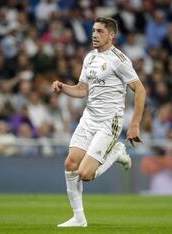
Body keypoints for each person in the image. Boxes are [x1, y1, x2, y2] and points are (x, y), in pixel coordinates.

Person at [52, 17, 146, 227]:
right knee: (70, 164)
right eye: (94, 30)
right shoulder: (89, 58)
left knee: (85, 174)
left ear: (111, 35)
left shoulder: (119, 60)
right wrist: (63, 87)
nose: (94, 34)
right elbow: (82, 89)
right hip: (89, 118)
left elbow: (140, 90)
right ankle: (79, 218)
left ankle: (116, 152)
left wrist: (134, 124)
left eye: (100, 31)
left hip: (108, 122)